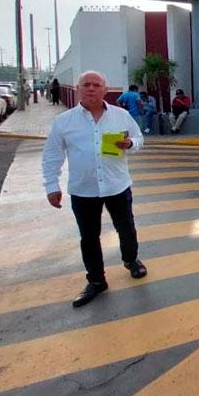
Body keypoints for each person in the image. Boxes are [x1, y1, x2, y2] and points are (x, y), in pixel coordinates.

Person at [42, 71, 148, 307]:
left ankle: (131, 260)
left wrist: (130, 143)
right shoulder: (64, 121)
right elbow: (52, 155)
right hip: (83, 189)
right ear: (78, 88)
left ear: (105, 89)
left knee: (126, 228)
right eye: (86, 84)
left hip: (117, 185)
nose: (91, 88)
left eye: (96, 85)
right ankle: (97, 280)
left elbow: (139, 139)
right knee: (89, 237)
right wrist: (51, 185)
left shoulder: (121, 116)